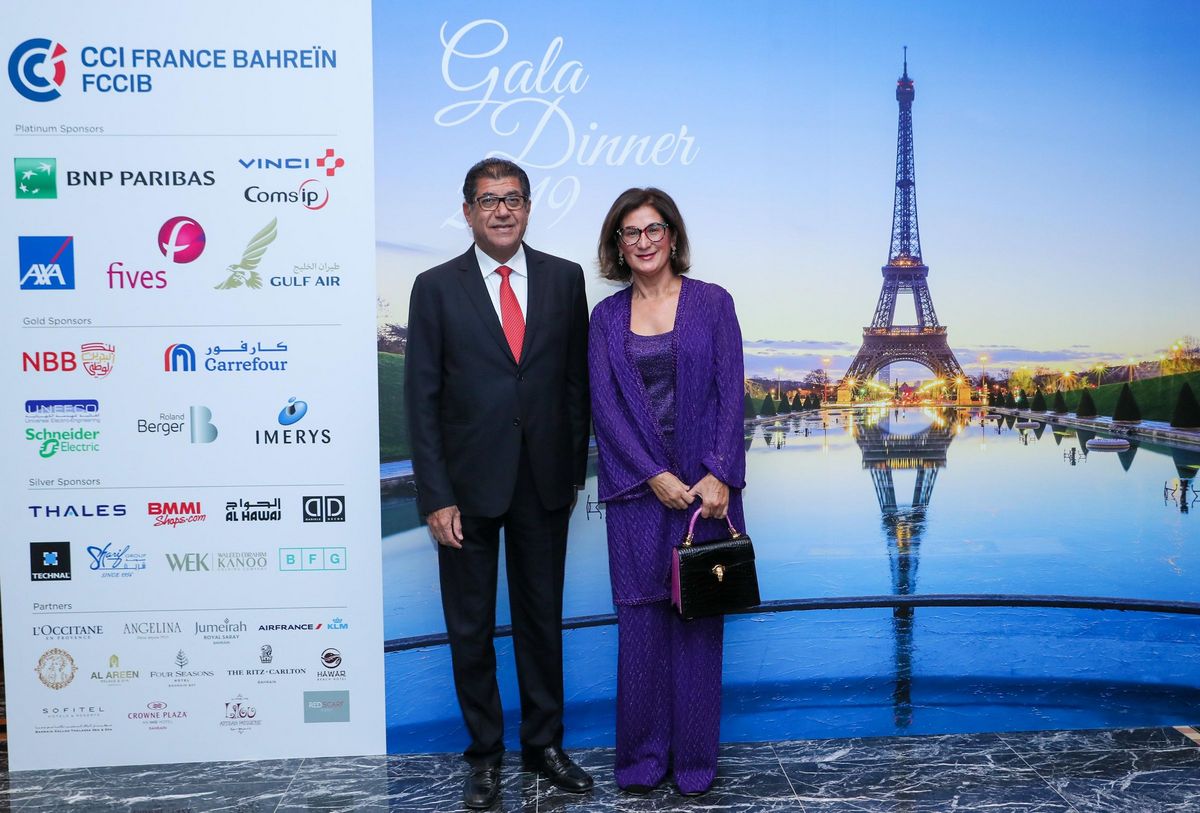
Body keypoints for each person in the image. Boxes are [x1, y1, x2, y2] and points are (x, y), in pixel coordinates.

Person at [405, 158, 593, 809]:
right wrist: (435, 496)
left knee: (542, 621)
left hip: (544, 484)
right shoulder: (434, 287)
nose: (502, 210)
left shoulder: (565, 279)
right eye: (488, 200)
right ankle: (484, 754)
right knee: (471, 627)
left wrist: (570, 471)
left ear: (529, 207)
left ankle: (544, 746)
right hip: (464, 492)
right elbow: (422, 400)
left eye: (512, 198)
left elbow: (575, 385)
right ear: (468, 212)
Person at [588, 187, 746, 796]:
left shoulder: (713, 302)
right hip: (638, 493)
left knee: (698, 622)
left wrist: (719, 473)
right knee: (640, 624)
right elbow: (605, 407)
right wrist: (653, 474)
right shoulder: (605, 318)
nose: (644, 241)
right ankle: (642, 761)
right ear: (618, 245)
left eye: (654, 229)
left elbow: (731, 393)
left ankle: (695, 762)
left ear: (673, 236)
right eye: (631, 232)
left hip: (707, 492)